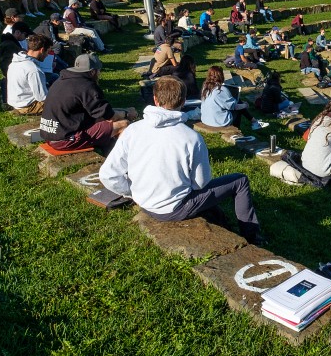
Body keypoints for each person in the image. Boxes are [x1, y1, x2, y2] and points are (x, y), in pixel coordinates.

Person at [99, 76, 262, 245]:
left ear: (155, 99)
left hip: (145, 202)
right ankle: (252, 237)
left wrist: (132, 192)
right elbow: (200, 184)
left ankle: (221, 221)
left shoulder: (133, 130)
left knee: (214, 206)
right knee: (240, 181)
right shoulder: (191, 138)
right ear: (183, 101)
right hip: (174, 208)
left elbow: (108, 174)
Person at [39, 54, 137, 153]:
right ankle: (121, 160)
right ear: (93, 72)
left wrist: (123, 111)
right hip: (65, 140)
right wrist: (127, 113)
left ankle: (108, 150)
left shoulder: (62, 80)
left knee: (106, 123)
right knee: (123, 124)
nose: (99, 74)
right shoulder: (86, 86)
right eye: (99, 71)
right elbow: (110, 116)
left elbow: (101, 112)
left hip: (51, 134)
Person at [199, 65, 268, 130]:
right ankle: (238, 130)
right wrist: (245, 105)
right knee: (238, 107)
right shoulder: (222, 89)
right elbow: (234, 107)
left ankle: (254, 121)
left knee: (238, 102)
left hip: (205, 119)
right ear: (221, 76)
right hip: (218, 122)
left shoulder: (205, 86)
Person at [6, 33, 50, 115]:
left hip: (16, 102)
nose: (47, 55)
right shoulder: (34, 69)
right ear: (42, 50)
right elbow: (41, 97)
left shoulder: (15, 62)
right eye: (48, 51)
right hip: (28, 106)